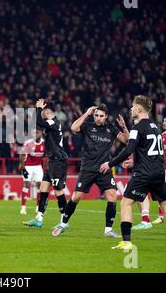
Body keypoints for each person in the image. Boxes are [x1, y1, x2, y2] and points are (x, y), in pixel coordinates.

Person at [99, 95, 166, 250]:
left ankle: (126, 243)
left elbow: (128, 149)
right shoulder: (156, 127)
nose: (131, 109)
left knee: (126, 203)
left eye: (133, 106)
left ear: (139, 109)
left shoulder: (137, 127)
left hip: (143, 174)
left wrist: (110, 163)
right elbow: (151, 151)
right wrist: (135, 161)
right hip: (159, 173)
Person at [52, 104, 129, 238]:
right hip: (88, 168)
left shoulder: (111, 128)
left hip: (104, 168)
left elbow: (127, 140)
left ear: (106, 116)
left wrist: (124, 127)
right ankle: (63, 224)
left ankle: (108, 230)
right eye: (96, 115)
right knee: (76, 197)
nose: (98, 118)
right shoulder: (88, 126)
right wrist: (87, 113)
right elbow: (73, 128)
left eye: (101, 116)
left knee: (112, 196)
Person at [23, 99, 68, 228]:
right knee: (43, 188)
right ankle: (39, 219)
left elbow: (38, 121)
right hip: (52, 160)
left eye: (42, 111)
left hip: (58, 160)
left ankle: (64, 221)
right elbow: (37, 122)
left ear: (46, 111)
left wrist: (38, 108)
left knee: (58, 190)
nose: (40, 113)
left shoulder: (53, 122)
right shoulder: (51, 123)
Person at [18, 129, 45, 215]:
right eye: (33, 133)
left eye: (36, 133)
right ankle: (23, 208)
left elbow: (47, 155)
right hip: (28, 166)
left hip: (38, 167)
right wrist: (22, 166)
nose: (35, 134)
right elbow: (22, 154)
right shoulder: (28, 143)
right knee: (26, 185)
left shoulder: (44, 143)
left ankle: (38, 207)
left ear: (40, 133)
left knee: (40, 187)